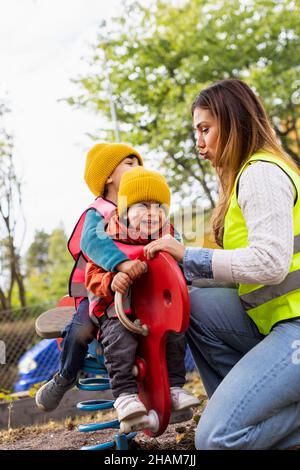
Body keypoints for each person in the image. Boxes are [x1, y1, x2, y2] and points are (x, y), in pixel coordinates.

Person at [143, 78, 300, 450]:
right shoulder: (248, 175)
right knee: (192, 304)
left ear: (233, 122)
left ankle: (245, 424)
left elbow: (270, 264)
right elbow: (238, 273)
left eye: (205, 129)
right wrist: (176, 272)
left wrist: (189, 257)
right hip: (279, 323)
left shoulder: (261, 174)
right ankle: (251, 412)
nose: (199, 142)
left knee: (215, 439)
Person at [36, 142, 147, 411]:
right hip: (98, 290)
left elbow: (162, 233)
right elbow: (92, 242)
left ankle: (166, 387)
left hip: (137, 289)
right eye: (129, 164)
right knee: (82, 327)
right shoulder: (98, 211)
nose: (137, 169)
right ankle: (65, 375)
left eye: (139, 165)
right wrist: (119, 263)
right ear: (109, 176)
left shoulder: (141, 207)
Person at [85, 167, 200, 422]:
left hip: (155, 307)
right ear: (124, 209)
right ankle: (125, 395)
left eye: (160, 207)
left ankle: (174, 387)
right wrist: (112, 279)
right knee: (120, 338)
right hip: (118, 308)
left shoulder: (167, 236)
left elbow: (179, 269)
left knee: (175, 334)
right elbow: (90, 275)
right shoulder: (108, 236)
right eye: (143, 205)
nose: (154, 213)